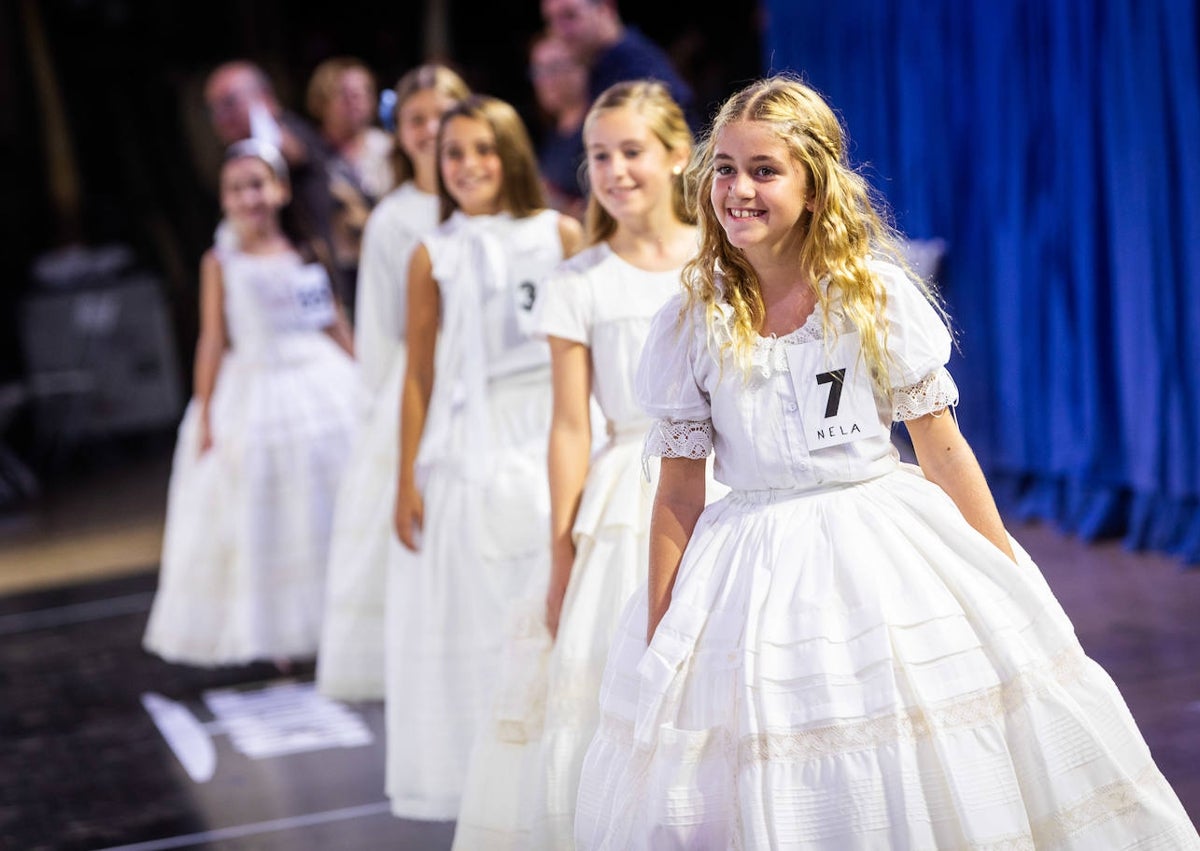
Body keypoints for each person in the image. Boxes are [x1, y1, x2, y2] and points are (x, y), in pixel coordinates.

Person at [573, 75, 1200, 849]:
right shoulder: (693, 318)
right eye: (726, 169)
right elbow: (676, 491)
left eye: (765, 170)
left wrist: (997, 565)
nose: (738, 189)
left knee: (904, 736)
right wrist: (660, 623)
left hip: (874, 540)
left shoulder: (872, 296)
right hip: (748, 563)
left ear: (814, 185)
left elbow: (941, 447)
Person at [451, 80, 728, 851]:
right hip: (627, 490)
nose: (613, 170)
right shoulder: (580, 282)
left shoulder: (718, 262)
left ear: (678, 156)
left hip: (726, 479)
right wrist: (562, 546)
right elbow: (571, 423)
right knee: (624, 671)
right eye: (599, 155)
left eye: (630, 151)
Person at [387, 94, 585, 820]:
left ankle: (571, 767)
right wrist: (406, 475)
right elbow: (418, 372)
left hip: (556, 422)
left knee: (562, 592)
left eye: (482, 149)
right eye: (454, 153)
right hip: (474, 442)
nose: (468, 165)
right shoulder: (430, 254)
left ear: (510, 154)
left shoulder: (558, 231)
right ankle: (504, 781)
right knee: (489, 607)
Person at [143, 139, 361, 668]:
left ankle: (341, 621)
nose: (249, 198)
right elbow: (214, 338)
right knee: (271, 513)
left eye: (258, 184)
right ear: (224, 199)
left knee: (330, 504)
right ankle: (283, 632)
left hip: (318, 383)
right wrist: (207, 407)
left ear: (281, 189)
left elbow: (329, 318)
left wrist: (362, 376)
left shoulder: (304, 250)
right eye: (237, 188)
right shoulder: (221, 262)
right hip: (257, 386)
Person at [314, 63, 470, 702]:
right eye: (417, 120)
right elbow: (380, 329)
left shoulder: (507, 206)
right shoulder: (394, 220)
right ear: (399, 133)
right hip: (425, 388)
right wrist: (385, 409)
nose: (432, 130)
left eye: (444, 114)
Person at [203, 60, 341, 299]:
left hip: (323, 277)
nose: (221, 117)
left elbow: (292, 151)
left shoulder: (291, 135)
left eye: (229, 103)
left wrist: (264, 123)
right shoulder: (234, 158)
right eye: (214, 109)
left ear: (264, 97)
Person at [305, 56, 396, 318]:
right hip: (338, 277)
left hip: (388, 265)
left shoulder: (389, 150)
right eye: (344, 94)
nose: (355, 101)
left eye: (363, 92)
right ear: (322, 101)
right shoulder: (310, 156)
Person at [541, 0, 700, 131]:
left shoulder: (637, 70)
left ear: (606, 9)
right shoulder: (602, 67)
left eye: (570, 16)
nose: (559, 31)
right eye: (551, 20)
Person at [528, 30, 590, 221]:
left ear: (582, 68)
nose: (545, 81)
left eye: (554, 68)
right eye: (538, 71)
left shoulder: (596, 132)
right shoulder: (554, 134)